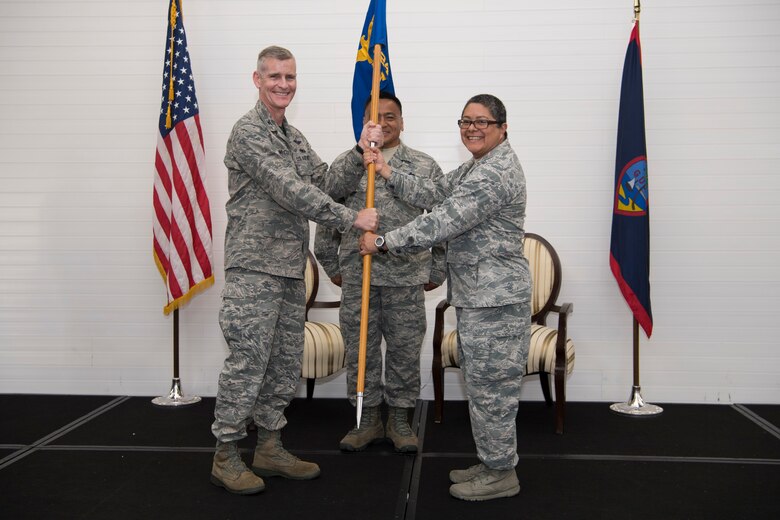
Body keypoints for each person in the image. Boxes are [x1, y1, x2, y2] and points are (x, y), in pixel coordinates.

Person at [210, 45, 383, 496]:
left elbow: (323, 180)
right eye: (274, 77)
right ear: (257, 80)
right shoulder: (248, 132)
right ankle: (226, 455)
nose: (283, 84)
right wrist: (351, 219)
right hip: (253, 269)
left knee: (283, 364)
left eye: (289, 77)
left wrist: (358, 149)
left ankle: (269, 446)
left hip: (288, 269)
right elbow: (292, 192)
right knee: (248, 362)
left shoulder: (292, 136)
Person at [359, 94, 529, 501]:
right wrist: (386, 170)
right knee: (484, 387)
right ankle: (492, 461)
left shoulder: (495, 173)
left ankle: (502, 472)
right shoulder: (478, 167)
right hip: (479, 299)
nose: (472, 128)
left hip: (496, 304)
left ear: (503, 128)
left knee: (493, 391)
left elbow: (442, 221)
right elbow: (435, 191)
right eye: (466, 121)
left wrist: (383, 241)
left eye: (483, 122)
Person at [313, 92, 445, 453]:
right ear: (364, 121)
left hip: (406, 275)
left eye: (391, 117)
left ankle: (400, 419)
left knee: (404, 348)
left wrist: (437, 268)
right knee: (361, 349)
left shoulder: (422, 164)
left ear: (402, 122)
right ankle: (366, 418)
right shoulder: (349, 162)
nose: (384, 123)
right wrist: (331, 263)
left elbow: (441, 217)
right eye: (377, 116)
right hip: (359, 274)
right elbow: (327, 210)